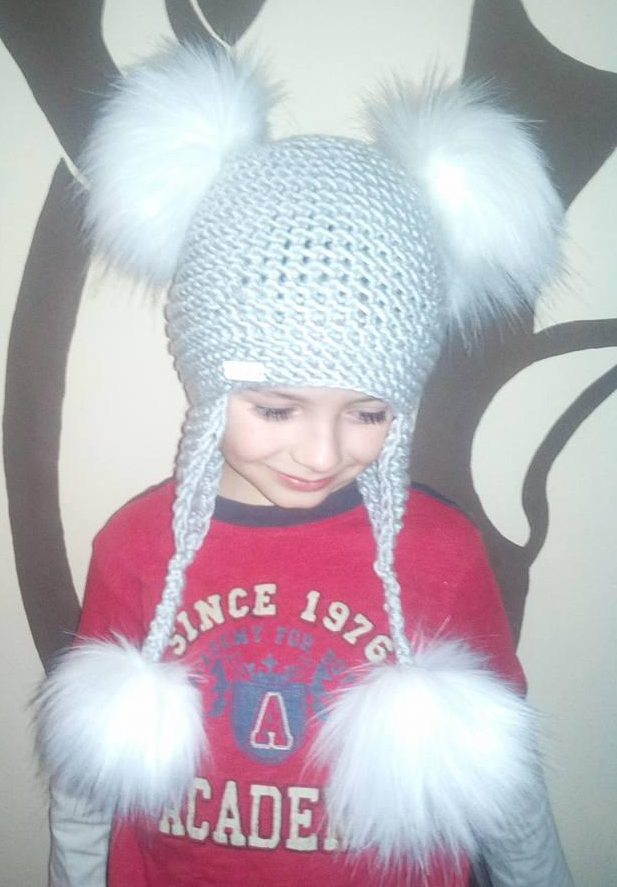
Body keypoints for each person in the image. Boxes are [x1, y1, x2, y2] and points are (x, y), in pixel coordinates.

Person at [36, 43, 574, 887]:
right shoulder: (135, 548)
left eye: (369, 413)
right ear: (209, 383)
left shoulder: (442, 554)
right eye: (276, 409)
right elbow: (85, 788)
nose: (322, 454)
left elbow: (506, 785)